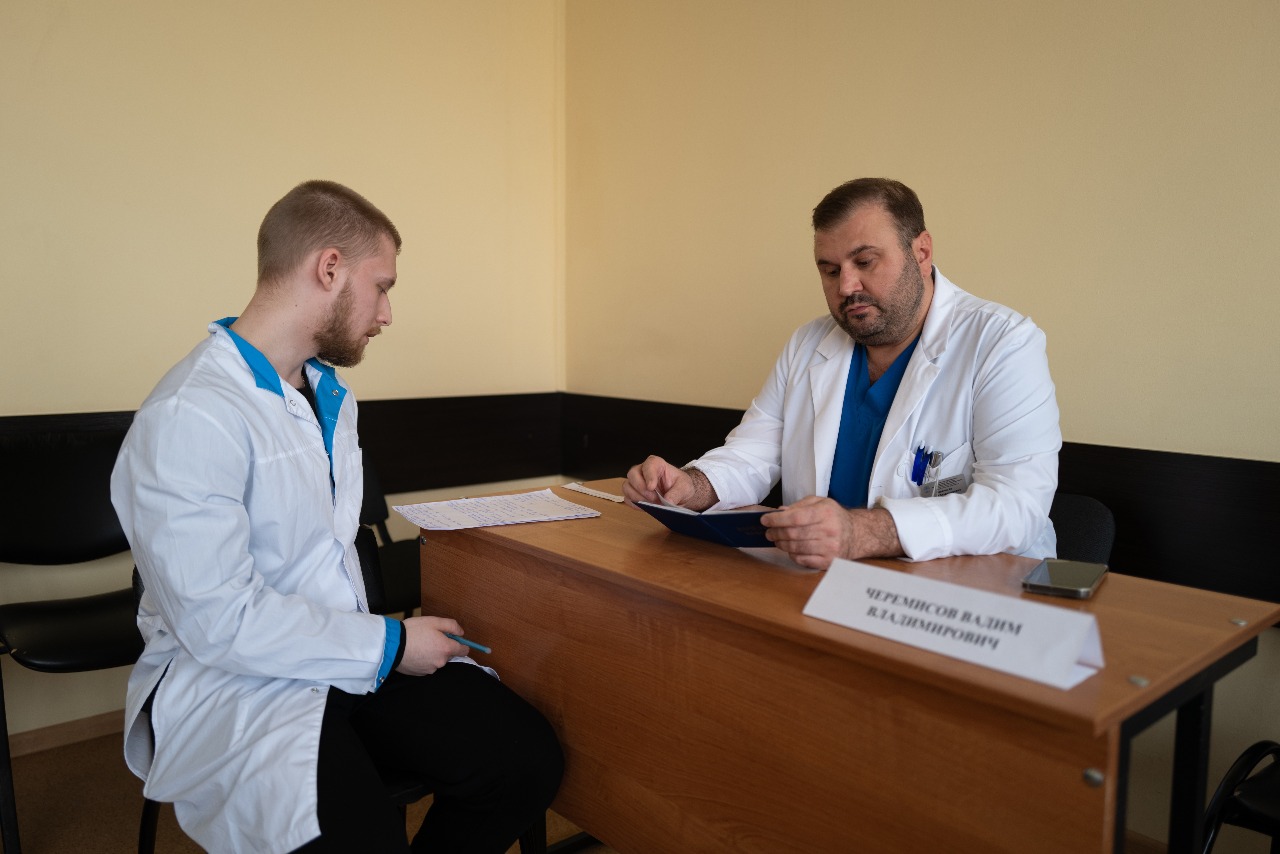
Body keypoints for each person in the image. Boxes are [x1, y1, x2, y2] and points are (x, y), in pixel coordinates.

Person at [112, 180, 563, 853]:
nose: (387, 313)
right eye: (382, 286)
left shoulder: (327, 396)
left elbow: (322, 562)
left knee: (525, 759)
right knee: (359, 834)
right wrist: (390, 646)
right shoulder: (190, 415)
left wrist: (380, 644)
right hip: (233, 680)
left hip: (337, 653)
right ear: (329, 268)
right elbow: (218, 623)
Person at [623, 177, 1060, 570]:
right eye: (830, 271)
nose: (846, 287)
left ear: (922, 252)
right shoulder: (808, 343)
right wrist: (690, 486)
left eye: (864, 262)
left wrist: (861, 532)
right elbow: (753, 454)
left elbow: (1017, 505)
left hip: (970, 596)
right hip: (821, 586)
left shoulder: (1002, 342)